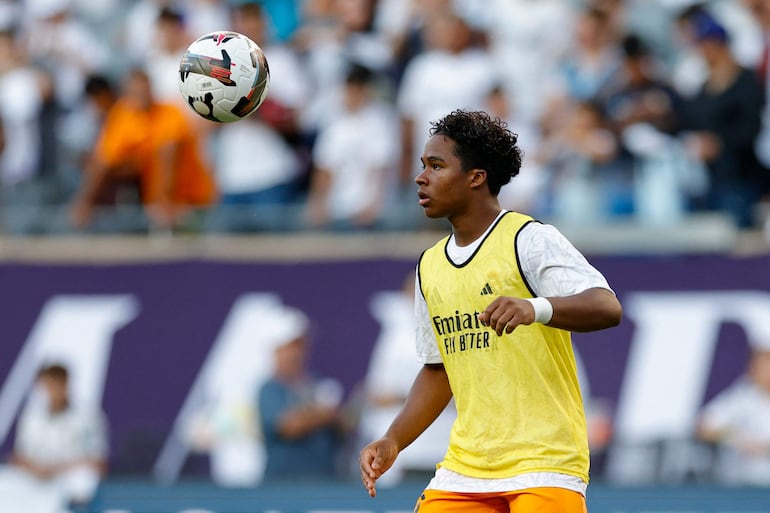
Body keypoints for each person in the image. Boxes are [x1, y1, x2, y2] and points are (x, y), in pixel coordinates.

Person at [359, 109, 623, 512]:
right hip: (466, 468)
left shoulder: (528, 239)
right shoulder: (429, 266)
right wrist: (394, 438)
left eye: (436, 165)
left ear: (476, 177)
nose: (421, 177)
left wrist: (535, 308)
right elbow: (438, 368)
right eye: (422, 166)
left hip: (544, 464)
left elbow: (607, 306)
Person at [70, 68, 217, 232]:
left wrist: (164, 201)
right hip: (160, 207)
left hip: (192, 200)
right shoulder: (123, 117)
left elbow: (169, 155)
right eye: (134, 93)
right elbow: (103, 161)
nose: (140, 97)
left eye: (144, 91)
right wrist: (84, 202)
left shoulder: (169, 113)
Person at [257, 305, 351, 481]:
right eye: (292, 345)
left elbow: (344, 426)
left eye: (301, 345)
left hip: (325, 482)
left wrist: (335, 418)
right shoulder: (269, 389)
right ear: (277, 350)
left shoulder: (318, 383)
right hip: (283, 484)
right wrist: (323, 415)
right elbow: (288, 426)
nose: (297, 352)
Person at [9, 363, 108, 509]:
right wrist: (37, 470)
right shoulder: (32, 416)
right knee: (10, 480)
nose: (54, 389)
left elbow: (98, 461)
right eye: (49, 384)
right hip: (37, 475)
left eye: (58, 384)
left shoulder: (87, 415)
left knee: (84, 480)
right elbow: (19, 456)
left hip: (70, 475)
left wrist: (58, 469)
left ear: (67, 384)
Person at [697, 347, 770, 486]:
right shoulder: (742, 397)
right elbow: (703, 427)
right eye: (759, 367)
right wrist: (737, 439)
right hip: (741, 485)